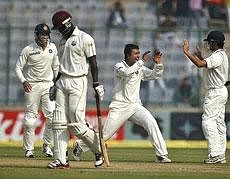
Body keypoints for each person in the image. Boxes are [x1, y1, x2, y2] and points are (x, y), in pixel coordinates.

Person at [73, 44, 171, 163]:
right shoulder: (118, 66)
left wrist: (158, 64)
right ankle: (80, 145)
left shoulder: (139, 67)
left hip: (135, 106)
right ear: (127, 55)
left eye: (139, 54)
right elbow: (126, 73)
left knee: (151, 122)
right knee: (105, 135)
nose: (138, 56)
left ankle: (161, 155)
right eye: (135, 54)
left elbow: (154, 75)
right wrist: (141, 62)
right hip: (120, 106)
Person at [47, 10, 105, 169]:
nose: (57, 31)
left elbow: (94, 63)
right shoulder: (61, 41)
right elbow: (61, 66)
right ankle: (61, 160)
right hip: (62, 82)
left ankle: (99, 150)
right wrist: (54, 83)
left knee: (77, 124)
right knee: (58, 122)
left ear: (67, 24)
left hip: (78, 82)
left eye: (59, 27)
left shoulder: (85, 38)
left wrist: (96, 84)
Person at [182, 30, 228, 164]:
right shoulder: (220, 55)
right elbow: (206, 63)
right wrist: (200, 56)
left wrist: (187, 52)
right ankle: (220, 154)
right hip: (220, 91)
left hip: (215, 92)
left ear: (214, 42)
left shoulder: (217, 56)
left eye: (209, 42)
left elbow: (200, 64)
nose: (208, 45)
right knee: (219, 123)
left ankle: (215, 154)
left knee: (208, 121)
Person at [15, 23, 59, 158]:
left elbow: (56, 67)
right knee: (30, 120)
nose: (45, 37)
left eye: (46, 35)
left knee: (52, 117)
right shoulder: (28, 49)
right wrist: (24, 81)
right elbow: (18, 67)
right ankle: (29, 149)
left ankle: (47, 145)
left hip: (48, 85)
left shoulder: (53, 47)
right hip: (32, 86)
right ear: (36, 35)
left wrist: (56, 84)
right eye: (42, 35)